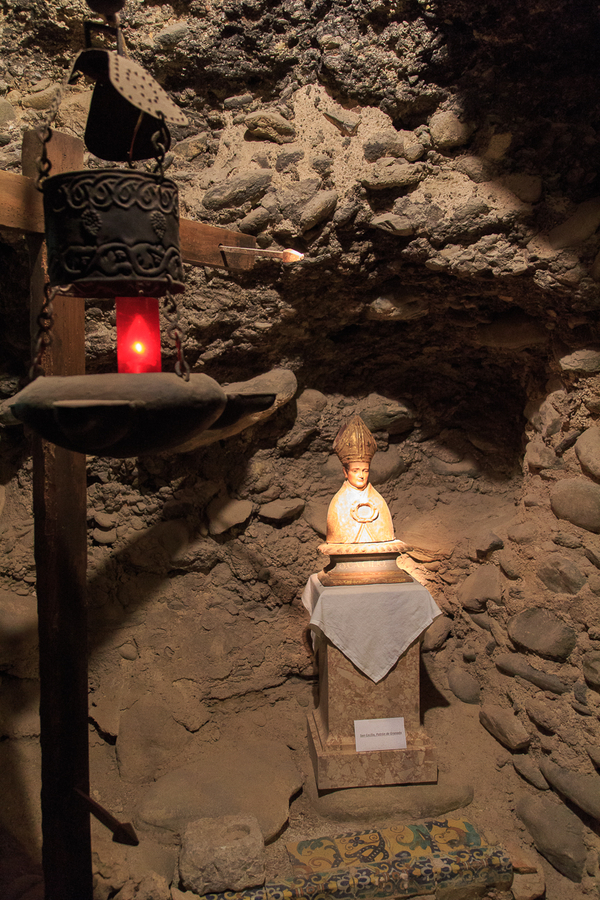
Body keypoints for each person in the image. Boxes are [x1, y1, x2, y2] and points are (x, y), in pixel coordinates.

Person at [325, 415, 396, 545]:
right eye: (355, 470)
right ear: (345, 472)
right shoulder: (338, 504)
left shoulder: (379, 501)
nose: (361, 475)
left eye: (365, 470)